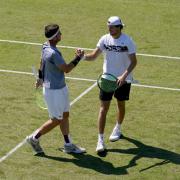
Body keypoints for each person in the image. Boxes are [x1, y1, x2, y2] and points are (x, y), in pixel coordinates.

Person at [26, 23, 86, 155]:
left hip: (61, 87)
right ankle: (34, 138)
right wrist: (78, 58)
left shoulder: (45, 45)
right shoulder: (53, 53)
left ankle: (68, 145)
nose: (61, 35)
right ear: (54, 37)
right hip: (54, 91)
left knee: (65, 115)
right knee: (56, 119)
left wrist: (40, 77)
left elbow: (42, 62)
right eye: (59, 33)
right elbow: (67, 69)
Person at [83, 16, 137, 152]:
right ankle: (100, 140)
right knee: (103, 109)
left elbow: (134, 61)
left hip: (124, 79)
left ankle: (118, 128)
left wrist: (124, 76)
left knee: (121, 104)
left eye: (113, 27)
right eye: (109, 27)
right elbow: (94, 56)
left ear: (120, 27)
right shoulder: (104, 39)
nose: (110, 30)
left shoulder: (128, 41)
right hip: (107, 79)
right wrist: (82, 56)